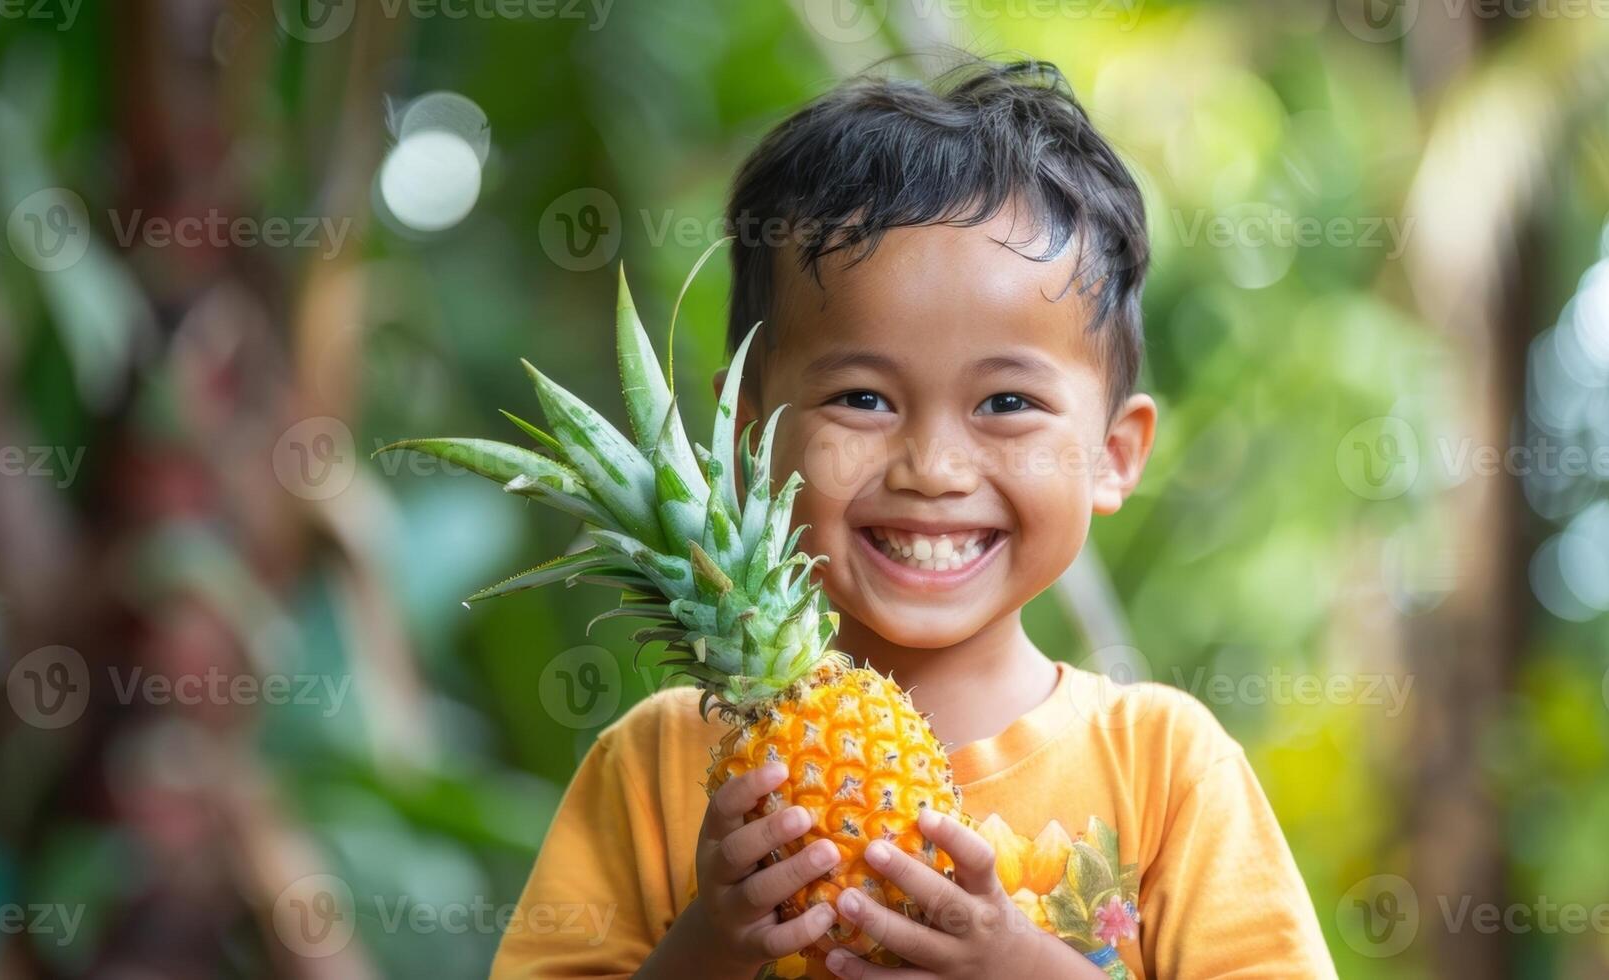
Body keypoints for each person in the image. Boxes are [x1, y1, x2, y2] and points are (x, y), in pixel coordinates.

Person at [492, 56, 1336, 980]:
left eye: (1007, 403)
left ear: (1113, 452)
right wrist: (706, 948)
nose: (932, 468)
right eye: (861, 397)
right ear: (749, 441)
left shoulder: (1166, 766)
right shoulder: (654, 767)